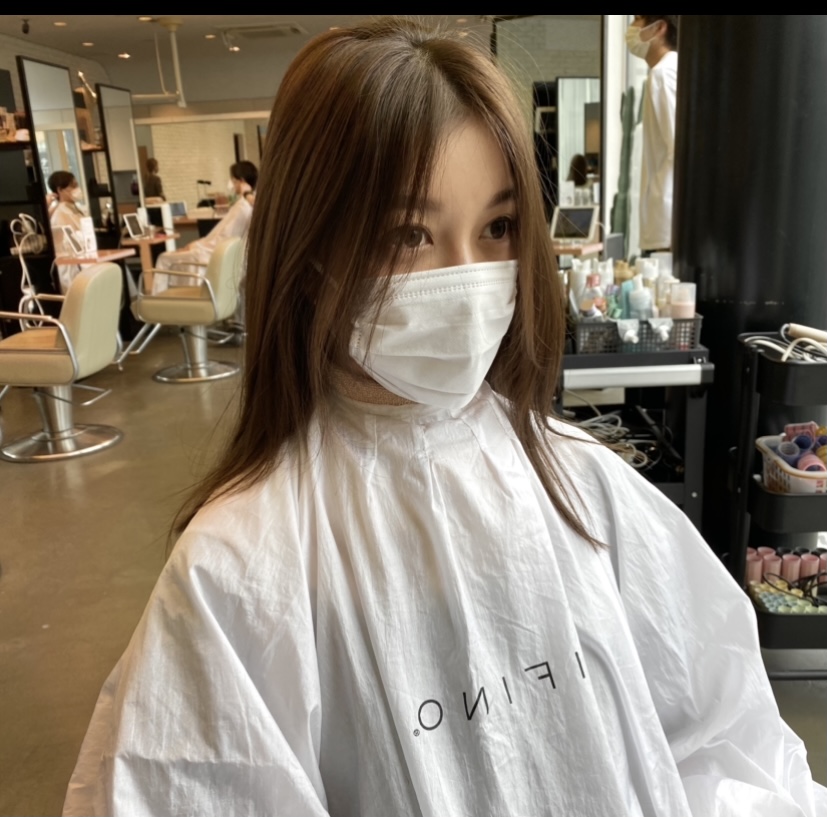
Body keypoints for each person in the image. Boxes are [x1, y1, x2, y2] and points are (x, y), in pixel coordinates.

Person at [64, 19, 827, 817]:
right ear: (311, 250)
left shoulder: (581, 481)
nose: (467, 280)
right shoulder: (238, 566)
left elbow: (720, 736)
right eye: (407, 235)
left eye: (496, 228)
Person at [148, 160, 257, 295]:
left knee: (164, 258)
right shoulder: (247, 205)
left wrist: (196, 245)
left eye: (233, 180)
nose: (231, 184)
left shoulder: (242, 207)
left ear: (241, 181)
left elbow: (222, 239)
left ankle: (161, 301)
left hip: (210, 255)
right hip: (224, 257)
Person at [626, 14, 678, 255]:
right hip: (665, 217)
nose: (631, 27)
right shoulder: (667, 71)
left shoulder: (663, 73)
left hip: (667, 217)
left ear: (659, 28)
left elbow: (677, 146)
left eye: (638, 19)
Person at [47, 170, 86, 293]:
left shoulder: (75, 210)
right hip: (72, 267)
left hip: (83, 260)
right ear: (60, 190)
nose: (77, 189)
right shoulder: (59, 213)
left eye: (77, 185)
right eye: (73, 186)